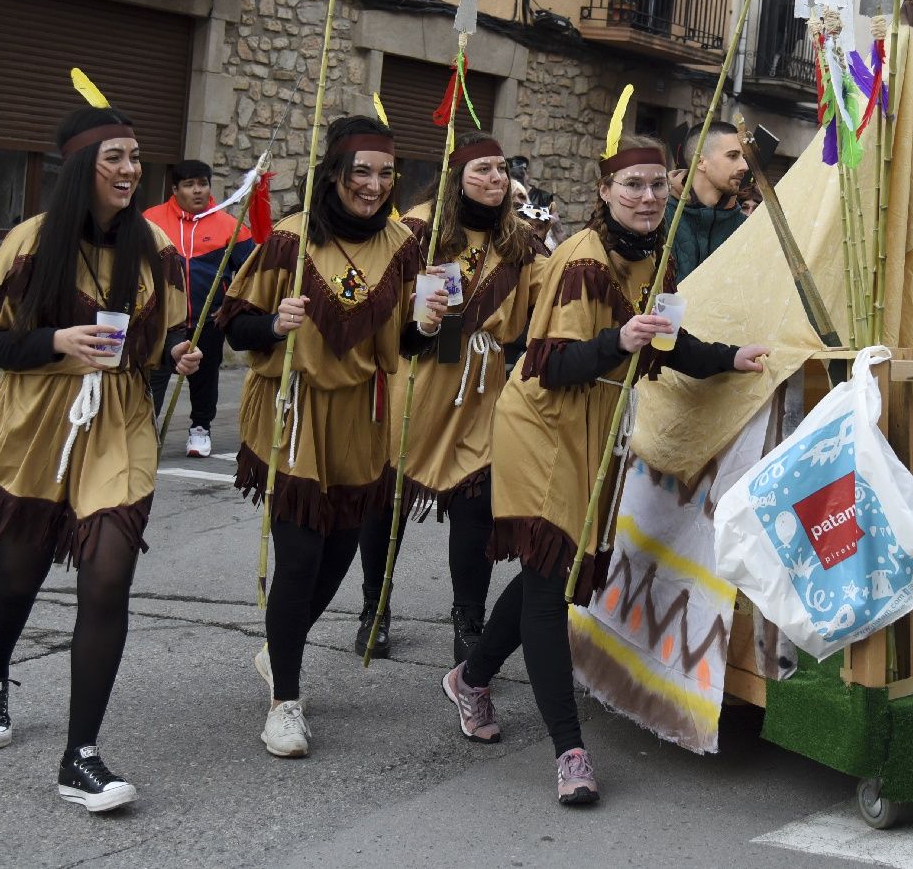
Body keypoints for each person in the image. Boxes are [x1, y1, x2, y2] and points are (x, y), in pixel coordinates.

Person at [440, 131, 769, 806]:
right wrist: (616, 341)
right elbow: (551, 364)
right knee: (547, 585)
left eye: (656, 185)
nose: (646, 198)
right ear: (604, 192)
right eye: (632, 186)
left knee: (547, 570)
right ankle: (570, 750)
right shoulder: (578, 259)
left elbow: (670, 342)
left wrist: (729, 358)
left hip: (595, 429)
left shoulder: (657, 259)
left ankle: (470, 678)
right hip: (541, 425)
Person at [0, 102, 200, 812]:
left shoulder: (157, 250)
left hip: (120, 424)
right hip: (38, 425)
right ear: (81, 168)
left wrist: (180, 353)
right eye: (115, 157)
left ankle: (80, 755)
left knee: (107, 579)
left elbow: (166, 338)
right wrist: (56, 342)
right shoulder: (31, 242)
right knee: (16, 577)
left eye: (134, 157)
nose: (129, 170)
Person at [215, 115, 448, 759]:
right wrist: (272, 324)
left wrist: (424, 328)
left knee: (337, 558)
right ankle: (285, 701)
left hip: (362, 418)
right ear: (335, 175)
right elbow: (232, 325)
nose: (373, 185)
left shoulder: (405, 245)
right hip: (294, 411)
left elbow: (400, 337)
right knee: (298, 558)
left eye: (384, 173)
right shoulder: (290, 240)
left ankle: (276, 648)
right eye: (361, 172)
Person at [350, 133, 549, 661]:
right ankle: (376, 604)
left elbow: (548, 298)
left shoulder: (523, 241)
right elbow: (382, 291)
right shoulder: (417, 230)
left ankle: (469, 619)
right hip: (416, 379)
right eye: (482, 170)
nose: (495, 179)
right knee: (385, 495)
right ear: (455, 177)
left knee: (477, 503)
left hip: (483, 384)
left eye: (501, 171)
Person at [144, 159, 256, 458]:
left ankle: (200, 429)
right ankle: (144, 430)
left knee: (204, 376)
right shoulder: (150, 221)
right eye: (190, 185)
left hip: (208, 320)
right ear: (175, 189)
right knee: (154, 376)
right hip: (163, 322)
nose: (198, 191)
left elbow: (251, 273)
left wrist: (231, 305)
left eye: (203, 184)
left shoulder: (231, 227)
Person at [669, 122, 750, 275]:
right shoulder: (658, 218)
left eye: (743, 157)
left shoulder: (744, 229)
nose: (745, 166)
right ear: (700, 162)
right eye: (732, 156)